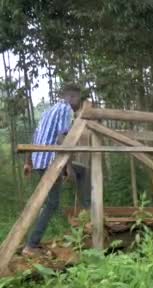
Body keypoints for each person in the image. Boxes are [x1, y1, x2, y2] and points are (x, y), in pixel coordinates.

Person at [22, 84, 90, 257]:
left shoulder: (47, 111)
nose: (78, 104)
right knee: (52, 203)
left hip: (40, 161)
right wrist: (67, 167)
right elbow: (62, 138)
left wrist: (28, 162)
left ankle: (87, 212)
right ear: (72, 97)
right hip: (52, 161)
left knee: (79, 174)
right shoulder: (66, 110)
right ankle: (31, 245)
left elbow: (35, 137)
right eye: (78, 99)